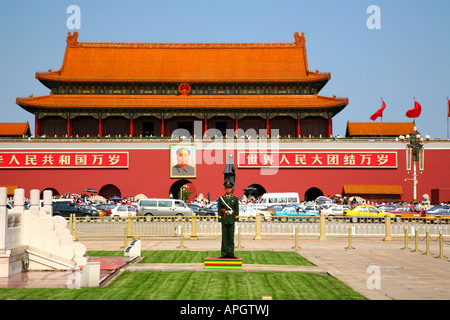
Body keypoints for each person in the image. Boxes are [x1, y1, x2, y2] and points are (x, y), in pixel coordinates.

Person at [218, 180, 239, 258]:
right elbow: (219, 210)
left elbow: (237, 210)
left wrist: (236, 221)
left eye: (229, 188)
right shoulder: (221, 199)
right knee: (224, 238)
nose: (228, 189)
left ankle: (230, 253)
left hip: (231, 220)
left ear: (231, 189)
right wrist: (219, 221)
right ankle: (224, 253)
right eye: (226, 188)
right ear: (225, 189)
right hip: (224, 220)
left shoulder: (235, 199)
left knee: (231, 237)